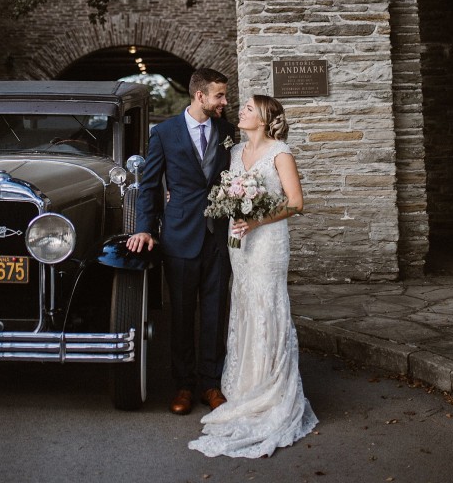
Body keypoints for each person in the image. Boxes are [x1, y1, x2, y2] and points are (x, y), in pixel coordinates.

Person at [188, 94, 318, 458]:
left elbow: (295, 202)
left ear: (263, 118)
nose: (240, 112)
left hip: (267, 242)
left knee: (266, 303)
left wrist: (257, 219)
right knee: (243, 303)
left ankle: (270, 387)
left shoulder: (280, 153)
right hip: (238, 242)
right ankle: (244, 384)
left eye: (247, 109)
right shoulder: (233, 153)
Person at [126, 68, 235, 415]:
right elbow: (149, 185)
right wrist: (144, 227)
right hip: (179, 235)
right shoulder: (165, 132)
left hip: (218, 235)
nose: (225, 101)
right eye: (219, 95)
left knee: (215, 312)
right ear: (200, 95)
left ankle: (210, 383)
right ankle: (183, 385)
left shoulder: (228, 130)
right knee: (183, 314)